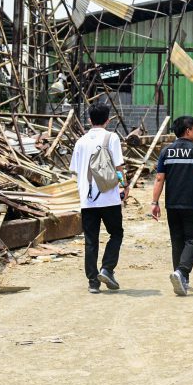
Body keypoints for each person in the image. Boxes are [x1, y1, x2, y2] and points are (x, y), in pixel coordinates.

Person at [150, 115, 193, 296]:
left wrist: (154, 202)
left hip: (172, 204)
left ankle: (181, 278)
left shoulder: (166, 152)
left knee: (177, 240)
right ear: (188, 130)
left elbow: (159, 179)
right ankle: (181, 272)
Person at [69, 103, 126, 294]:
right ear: (108, 120)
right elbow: (118, 167)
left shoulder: (81, 142)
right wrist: (123, 186)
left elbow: (75, 171)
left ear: (89, 120)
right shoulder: (112, 137)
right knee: (116, 233)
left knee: (91, 240)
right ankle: (107, 269)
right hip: (109, 197)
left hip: (87, 200)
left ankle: (93, 282)